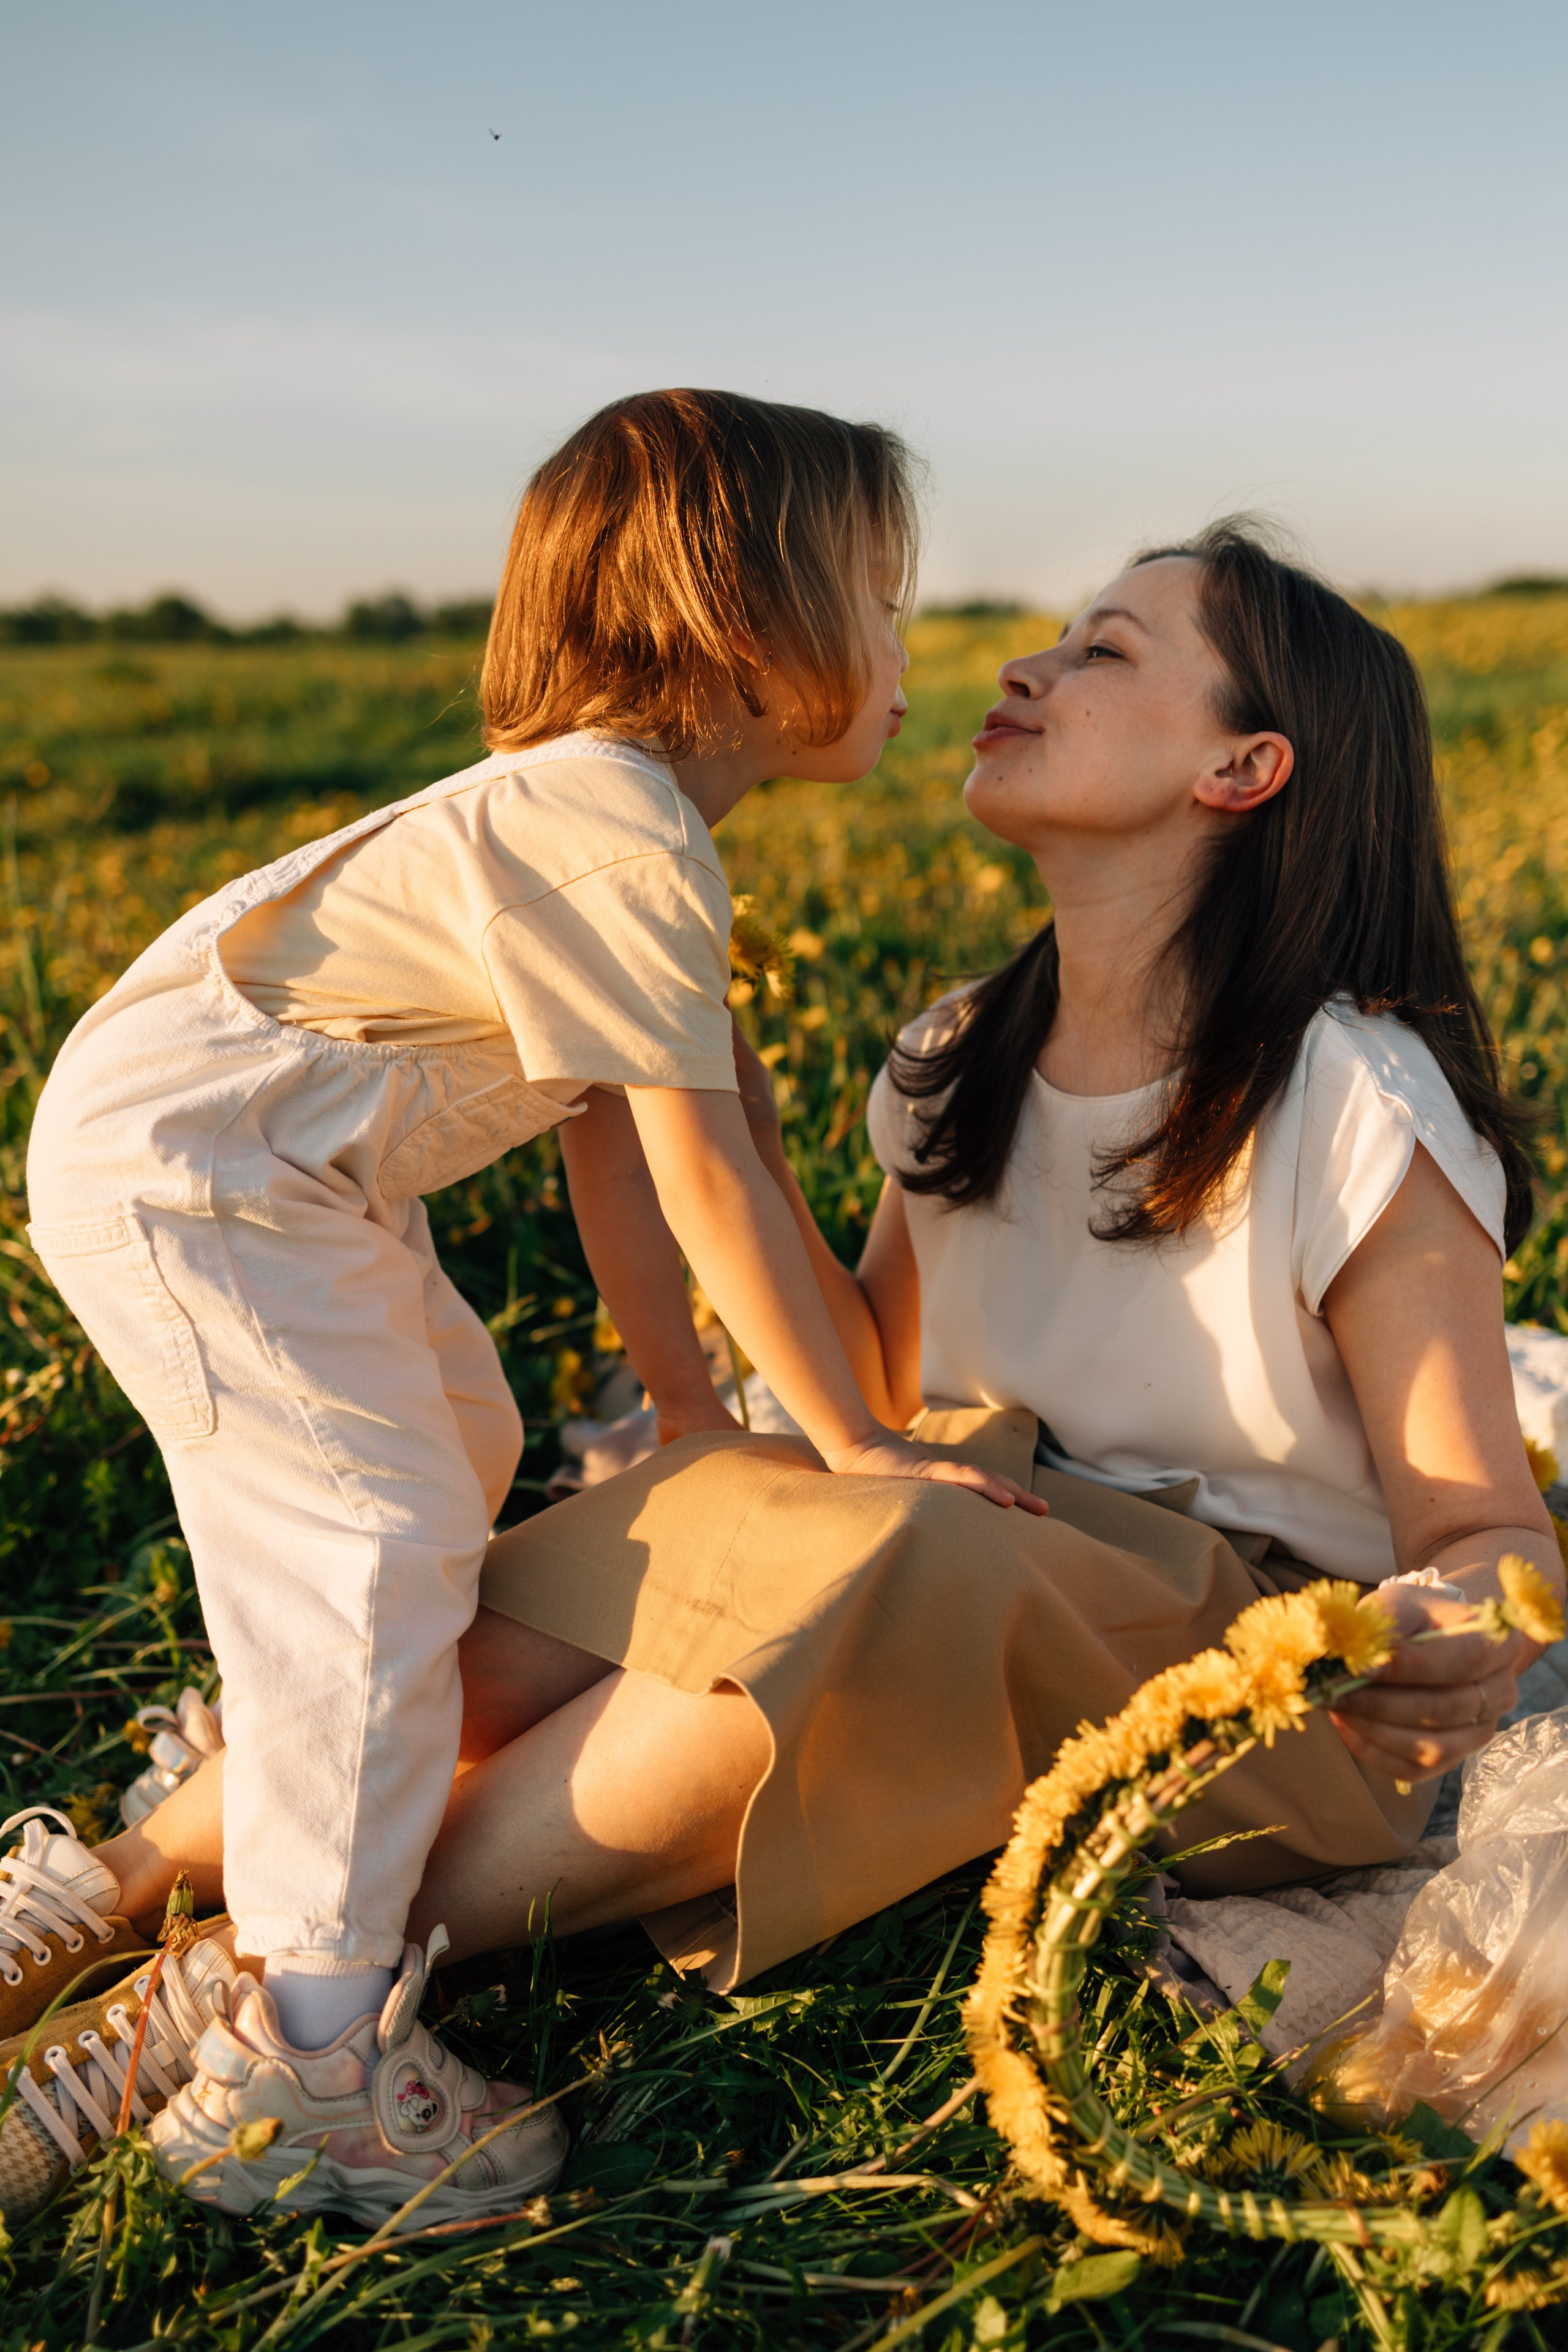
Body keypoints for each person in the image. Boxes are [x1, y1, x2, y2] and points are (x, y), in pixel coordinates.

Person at [9, 520, 1559, 2223]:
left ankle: (264, 1982)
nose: (1022, 667)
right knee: (716, 1493)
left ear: (1243, 768)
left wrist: (1445, 1626)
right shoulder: (965, 1052)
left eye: (1106, 651)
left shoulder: (1354, 1100)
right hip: (1000, 1524)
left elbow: (1490, 1532)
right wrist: (729, 1133)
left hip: (1252, 1676)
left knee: (910, 1552)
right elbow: (873, 1389)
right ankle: (110, 1893)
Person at [18, 391, 1038, 2226]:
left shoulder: (626, 842)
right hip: (200, 1173)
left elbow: (625, 1163)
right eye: (881, 604)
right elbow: (704, 1173)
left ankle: (161, 1858)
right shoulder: (616, 830)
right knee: (371, 1536)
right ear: (749, 630)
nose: (908, 651)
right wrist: (866, 1438)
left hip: (277, 1173)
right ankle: (314, 2063)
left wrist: (693, 1406)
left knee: (463, 1453)